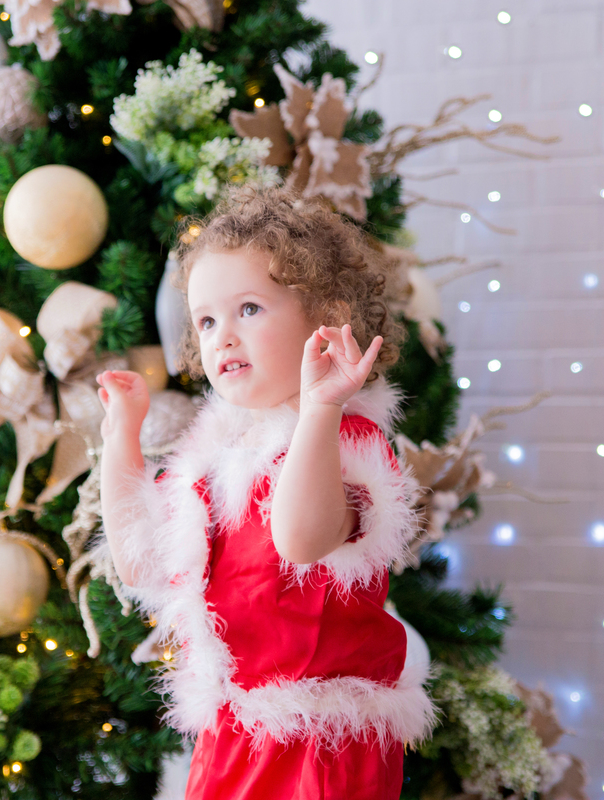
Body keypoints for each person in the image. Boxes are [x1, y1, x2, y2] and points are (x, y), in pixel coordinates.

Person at [94, 186, 433, 800]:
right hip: (232, 731)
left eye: (248, 308)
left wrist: (320, 409)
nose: (222, 335)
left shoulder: (345, 440)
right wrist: (122, 437)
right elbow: (139, 562)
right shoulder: (214, 457)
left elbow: (301, 538)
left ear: (325, 316)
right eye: (206, 319)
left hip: (320, 739)